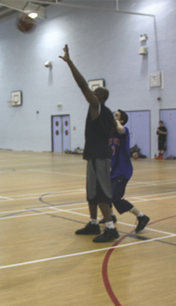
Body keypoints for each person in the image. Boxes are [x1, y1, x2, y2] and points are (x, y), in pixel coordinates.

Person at [59, 44, 118, 243]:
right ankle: (93, 223)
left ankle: (110, 229)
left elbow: (82, 85)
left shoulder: (98, 107)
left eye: (95, 92)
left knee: (101, 194)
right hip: (94, 154)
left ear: (100, 97)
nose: (91, 93)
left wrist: (70, 63)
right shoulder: (106, 114)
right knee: (92, 192)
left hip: (99, 156)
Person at [100, 110, 150, 233]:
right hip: (112, 171)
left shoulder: (124, 131)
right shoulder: (110, 134)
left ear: (121, 120)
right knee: (105, 194)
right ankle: (111, 215)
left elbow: (121, 129)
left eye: (116, 116)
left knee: (116, 198)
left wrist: (115, 121)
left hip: (122, 170)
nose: (113, 116)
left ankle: (142, 217)